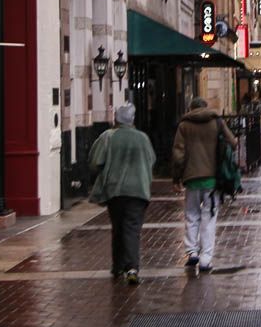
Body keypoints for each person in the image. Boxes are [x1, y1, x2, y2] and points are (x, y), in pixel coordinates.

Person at [88, 103, 156, 286]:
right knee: (132, 229)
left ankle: (118, 265)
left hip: (115, 190)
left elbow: (95, 163)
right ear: (132, 119)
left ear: (115, 118)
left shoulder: (107, 137)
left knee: (118, 227)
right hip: (138, 190)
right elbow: (152, 160)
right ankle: (132, 268)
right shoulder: (143, 138)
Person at [171, 97, 237, 272]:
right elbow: (233, 142)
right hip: (212, 178)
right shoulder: (216, 122)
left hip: (191, 178)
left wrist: (176, 178)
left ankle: (191, 251)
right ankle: (206, 259)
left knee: (192, 215)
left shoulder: (184, 125)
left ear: (191, 108)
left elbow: (178, 155)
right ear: (206, 107)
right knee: (209, 218)